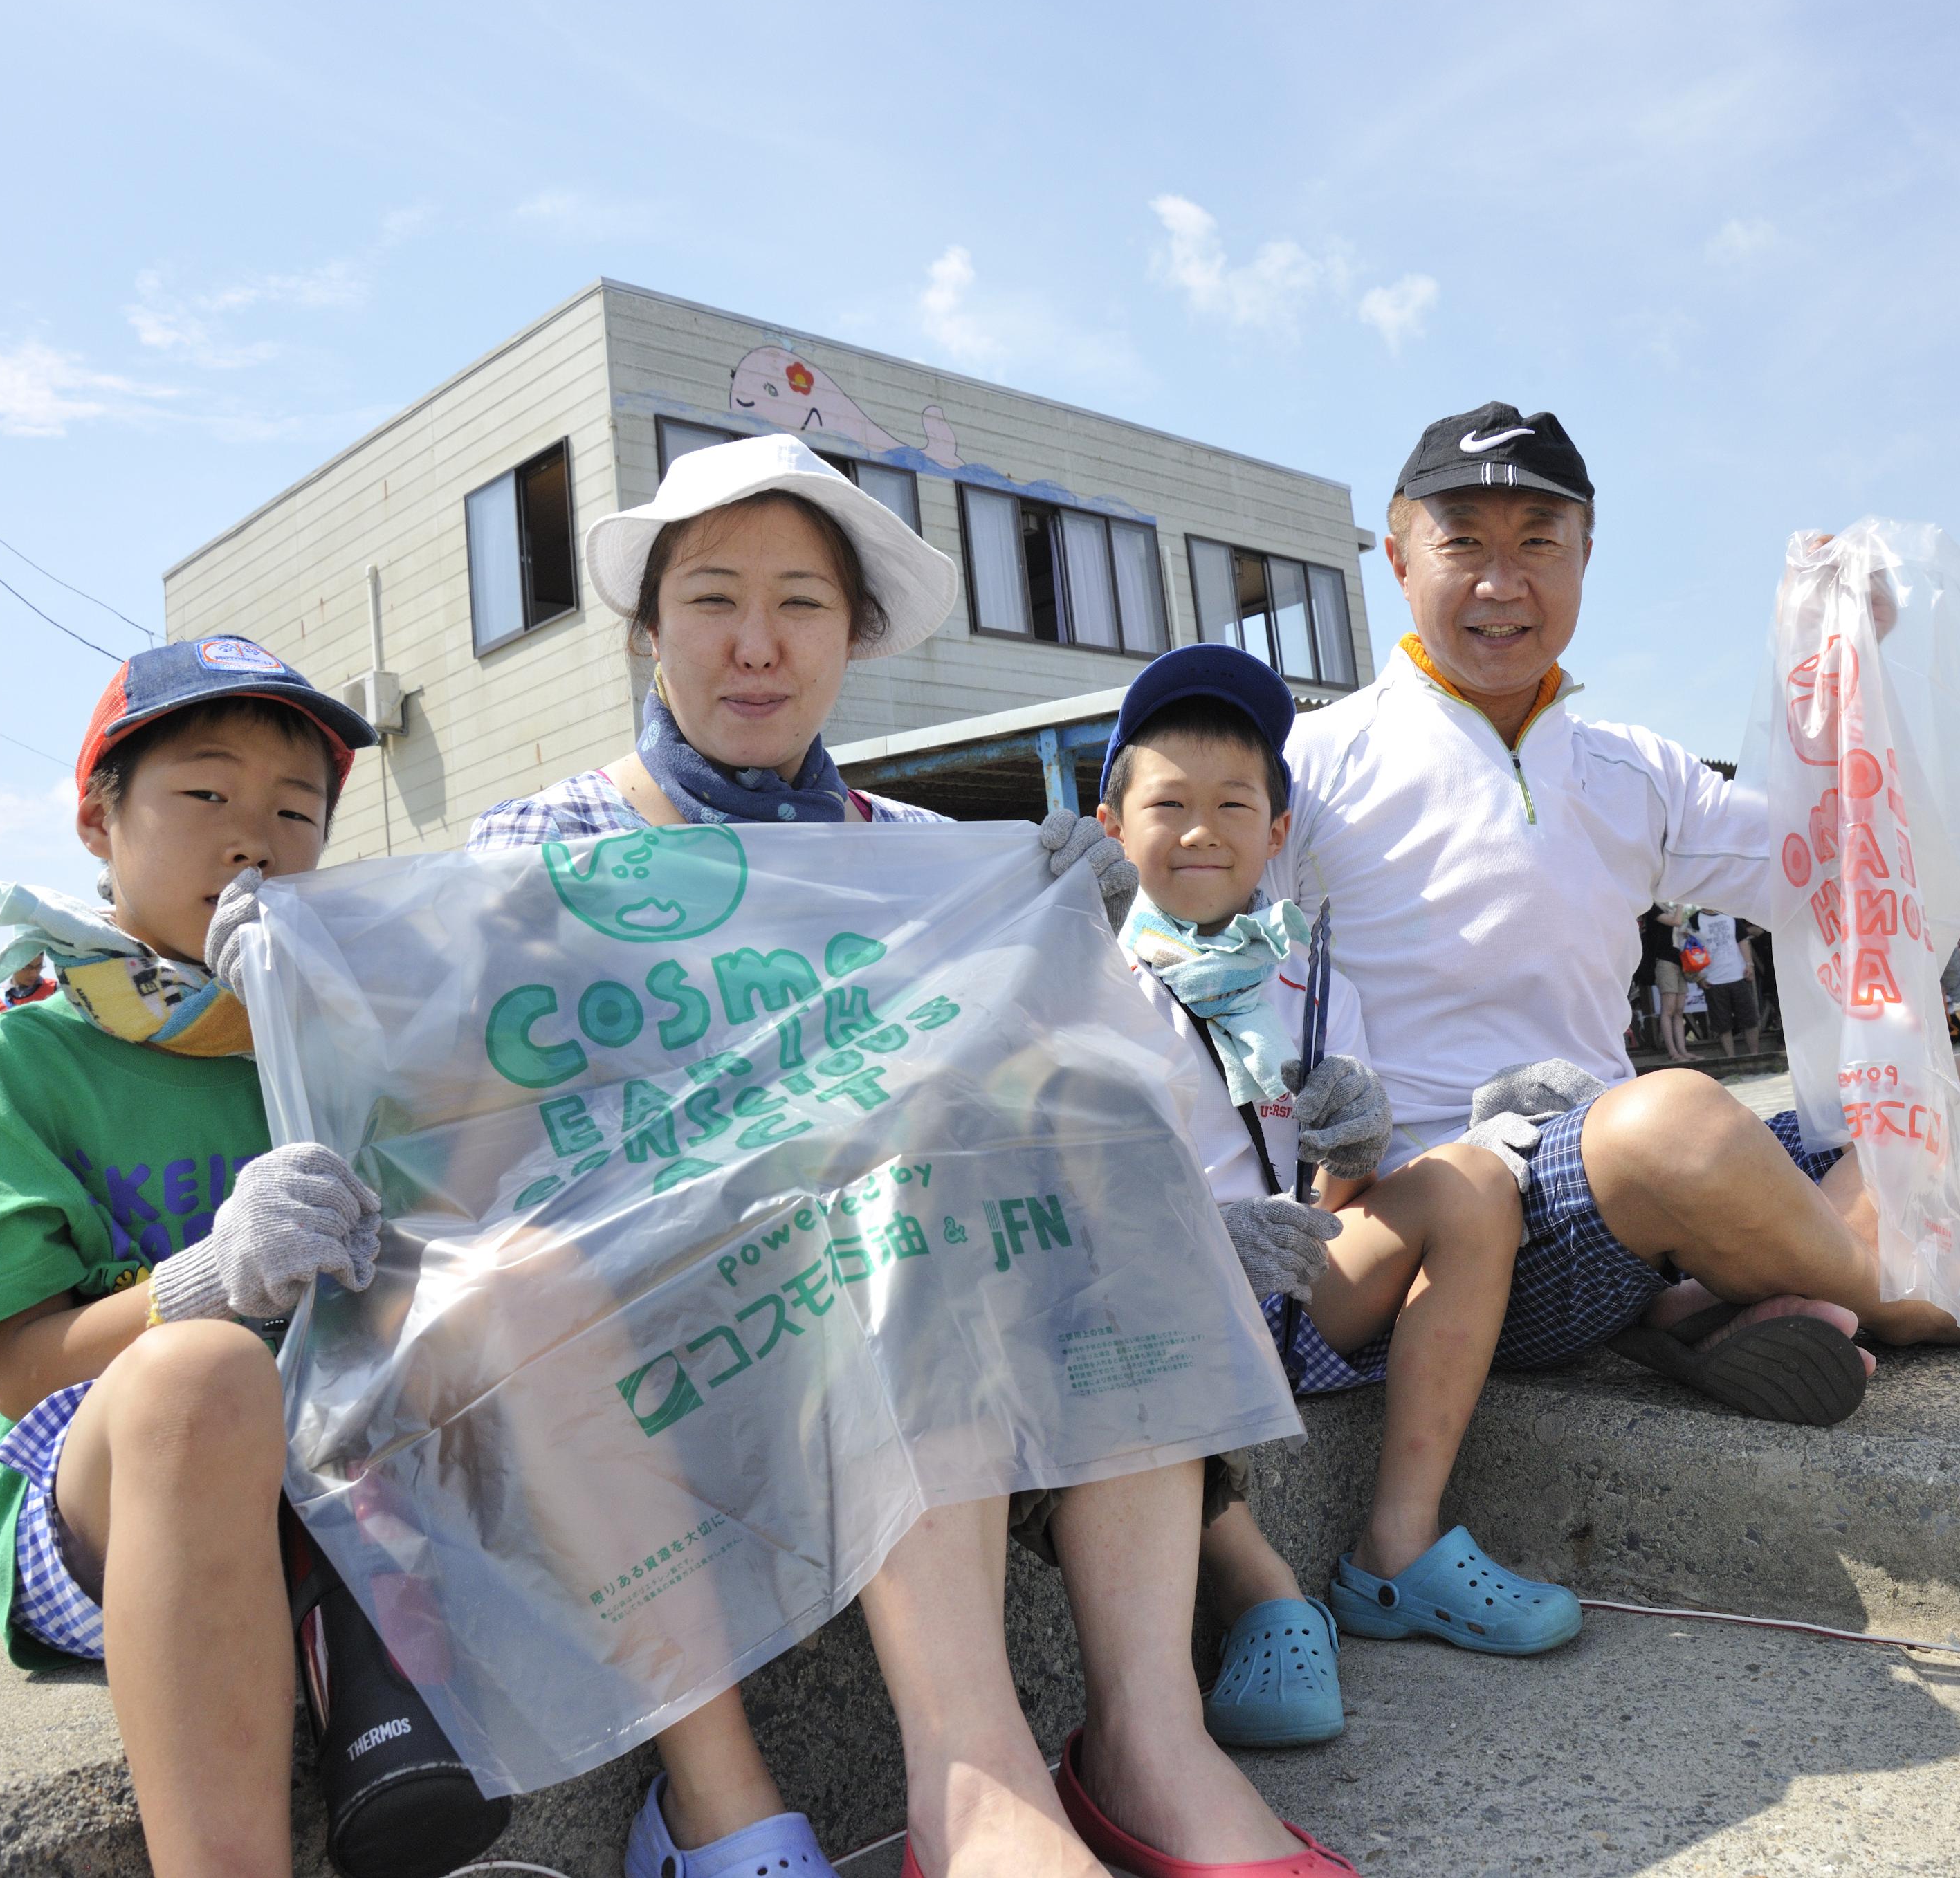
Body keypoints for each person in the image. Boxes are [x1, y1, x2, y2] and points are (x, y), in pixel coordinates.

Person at [468, 434, 1344, 1878]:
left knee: (1100, 1124)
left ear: (856, 633)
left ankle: (1151, 1734)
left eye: (802, 603)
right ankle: (970, 1770)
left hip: (924, 1312)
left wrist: (1066, 962)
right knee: (891, 1163)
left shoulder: (933, 853)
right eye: (711, 599)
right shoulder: (539, 840)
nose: (756, 643)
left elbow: (1040, 1100)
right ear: (646, 628)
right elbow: (479, 1136)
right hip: (671, 1344)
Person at [1267, 403, 1960, 1428]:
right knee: (1674, 1120)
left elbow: (1836, 879)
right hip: (1459, 1224)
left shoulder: (1633, 768)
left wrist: (1843, 682)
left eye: (1538, 543)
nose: (1501, 582)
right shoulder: (1304, 766)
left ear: (1585, 555)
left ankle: (1726, 1300)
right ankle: (1924, 1303)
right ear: (1398, 560)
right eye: (1463, 543)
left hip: (1633, 1203)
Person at [0, 641, 443, 1878]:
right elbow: (21, 1370)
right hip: (122, 1501)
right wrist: (211, 1278)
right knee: (205, 1369)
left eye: (294, 812)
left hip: (334, 1481)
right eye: (205, 793)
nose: (251, 838)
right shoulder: (26, 1055)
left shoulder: (346, 1044)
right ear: (99, 821)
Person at [1092, 646, 1575, 1754]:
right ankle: (1263, 1590)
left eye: (1234, 803)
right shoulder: (1084, 974)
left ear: (1276, 832)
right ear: (1111, 825)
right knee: (1112, 1293)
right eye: (1167, 803)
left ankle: (1397, 1547)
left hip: (1294, 1294)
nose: (1201, 829)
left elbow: (1331, 1193)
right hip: (1154, 1307)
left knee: (1469, 1179)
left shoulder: (1313, 979)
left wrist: (1353, 1148)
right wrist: (1204, 1245)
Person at [1696, 908, 1764, 1057]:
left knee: (1750, 1018)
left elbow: (1742, 940)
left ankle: (1755, 1054)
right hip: (1712, 978)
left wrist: (1749, 964)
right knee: (1722, 1024)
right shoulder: (1694, 920)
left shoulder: (1731, 913)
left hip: (1738, 974)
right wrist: (1699, 976)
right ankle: (1730, 1057)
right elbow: (1691, 948)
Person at [1636, 905, 1692, 1060]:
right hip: (1664, 962)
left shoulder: (1670, 908)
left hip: (1679, 961)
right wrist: (1681, 904)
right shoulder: (1652, 908)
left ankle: (1683, 1050)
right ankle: (1673, 1052)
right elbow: (1676, 922)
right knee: (1668, 1010)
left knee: (1679, 1010)